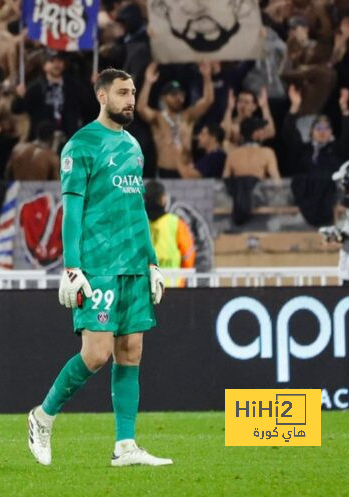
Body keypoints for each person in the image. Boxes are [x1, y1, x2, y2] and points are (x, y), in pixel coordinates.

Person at [27, 68, 170, 467]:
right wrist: (72, 268)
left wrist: (152, 262)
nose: (131, 100)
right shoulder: (81, 146)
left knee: (131, 351)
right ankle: (42, 416)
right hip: (98, 266)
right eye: (123, 92)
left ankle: (125, 446)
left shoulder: (133, 147)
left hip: (132, 267)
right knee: (96, 354)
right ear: (102, 96)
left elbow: (137, 208)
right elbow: (72, 212)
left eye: (134, 93)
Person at [137, 61, 214, 178]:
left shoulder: (188, 116)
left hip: (187, 170)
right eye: (173, 95)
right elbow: (141, 108)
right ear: (163, 98)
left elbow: (208, 101)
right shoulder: (158, 118)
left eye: (181, 95)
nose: (179, 98)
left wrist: (207, 77)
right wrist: (148, 82)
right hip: (164, 171)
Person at [144, 181, 196, 287]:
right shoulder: (176, 223)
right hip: (173, 285)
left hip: (147, 288)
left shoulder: (139, 225)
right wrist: (182, 277)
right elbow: (188, 256)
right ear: (162, 199)